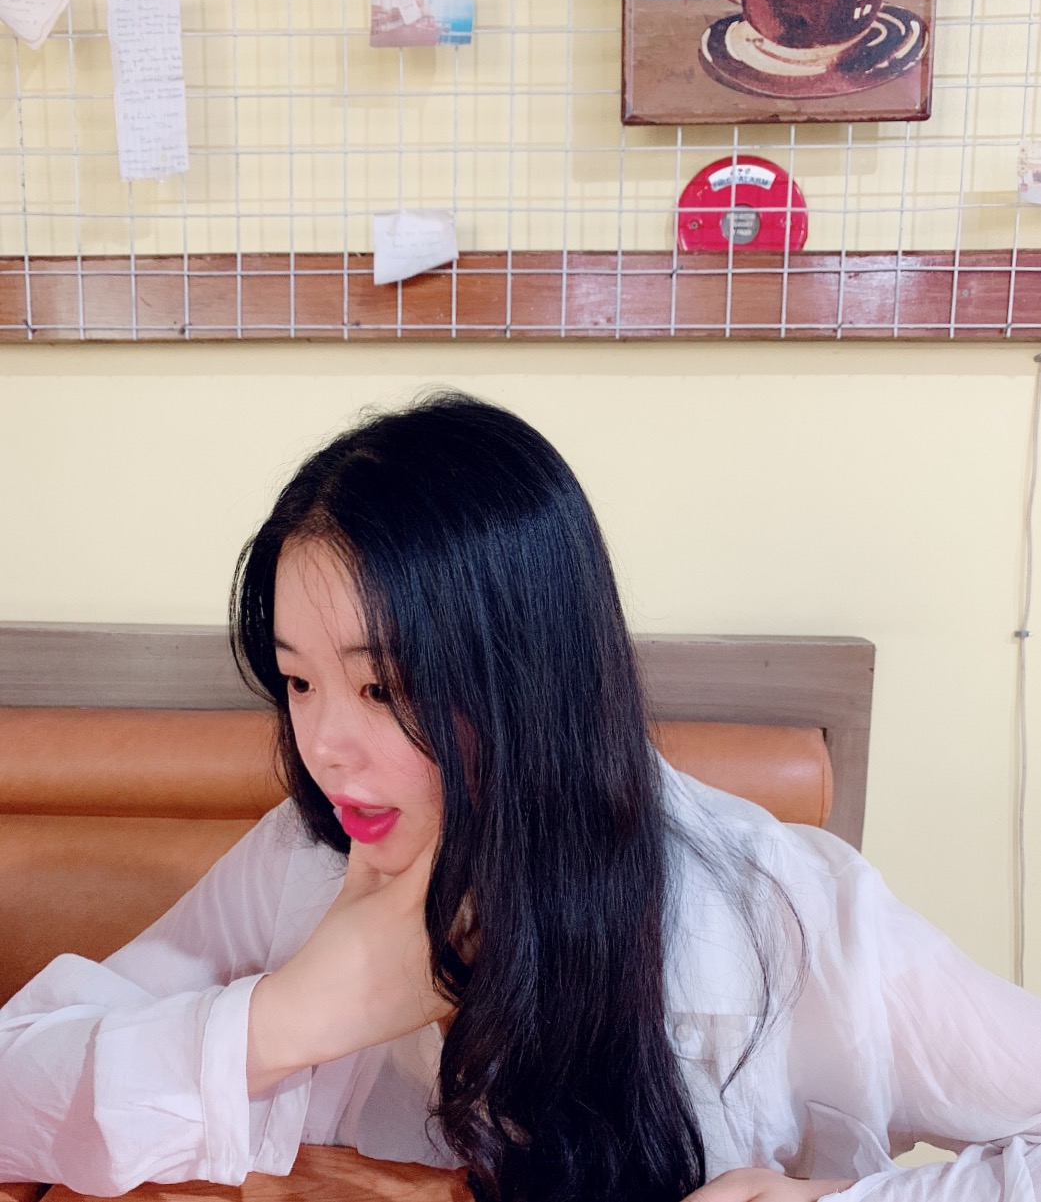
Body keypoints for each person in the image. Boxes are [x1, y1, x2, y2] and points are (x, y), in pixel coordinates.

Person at [0, 391, 1039, 1202]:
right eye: (298, 681)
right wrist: (285, 1019)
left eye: (382, 687)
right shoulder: (305, 859)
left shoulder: (790, 912)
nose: (324, 750)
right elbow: (16, 1088)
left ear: (529, 682)